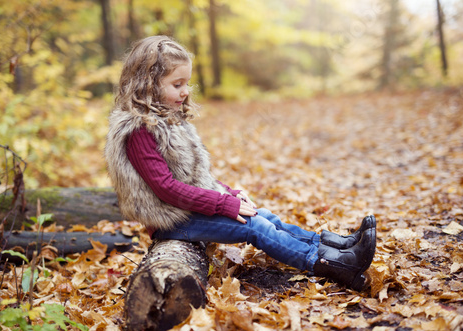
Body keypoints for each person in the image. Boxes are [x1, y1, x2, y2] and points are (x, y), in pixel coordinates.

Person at [104, 36, 376, 292]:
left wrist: (228, 193)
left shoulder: (169, 121)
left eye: (187, 84)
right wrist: (223, 204)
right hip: (172, 222)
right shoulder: (139, 130)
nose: (186, 92)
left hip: (185, 210)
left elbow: (195, 178)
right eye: (177, 85)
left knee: (264, 216)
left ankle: (335, 246)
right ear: (148, 83)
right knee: (253, 227)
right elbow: (167, 188)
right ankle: (334, 265)